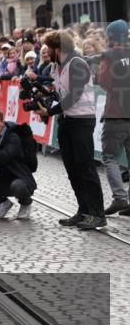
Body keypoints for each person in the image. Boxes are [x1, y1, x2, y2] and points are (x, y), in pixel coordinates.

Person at [34, 30, 106, 230]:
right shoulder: (59, 66)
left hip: (81, 121)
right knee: (73, 169)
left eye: (49, 48)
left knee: (85, 167)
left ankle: (97, 214)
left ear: (58, 48)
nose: (47, 52)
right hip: (66, 121)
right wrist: (45, 95)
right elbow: (61, 93)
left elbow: (74, 94)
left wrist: (50, 111)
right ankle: (84, 210)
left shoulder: (77, 64)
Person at [98, 20, 130, 216]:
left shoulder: (109, 55)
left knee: (110, 157)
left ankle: (120, 198)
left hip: (116, 114)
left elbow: (103, 81)